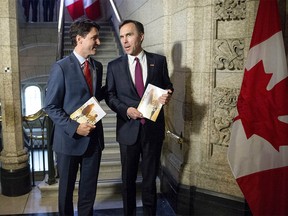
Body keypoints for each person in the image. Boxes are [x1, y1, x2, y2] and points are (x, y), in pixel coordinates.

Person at [105, 19, 173, 216]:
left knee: (150, 180)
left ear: (141, 36)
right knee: (128, 180)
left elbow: (167, 85)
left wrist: (167, 94)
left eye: (129, 35)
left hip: (152, 130)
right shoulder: (114, 66)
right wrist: (126, 110)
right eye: (122, 36)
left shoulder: (158, 61)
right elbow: (110, 95)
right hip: (128, 131)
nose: (125, 41)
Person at [44, 18, 105, 216]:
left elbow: (93, 98)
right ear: (80, 39)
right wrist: (74, 127)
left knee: (88, 192)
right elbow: (50, 106)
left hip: (94, 141)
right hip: (68, 141)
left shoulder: (97, 66)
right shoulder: (60, 67)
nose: (99, 42)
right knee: (66, 192)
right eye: (94, 38)